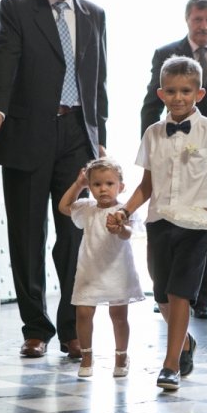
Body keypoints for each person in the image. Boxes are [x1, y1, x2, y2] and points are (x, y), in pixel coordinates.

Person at [0, 0, 108, 360]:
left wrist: (98, 136)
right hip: (28, 133)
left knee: (72, 237)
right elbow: (4, 60)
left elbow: (97, 80)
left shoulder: (95, 15)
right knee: (28, 236)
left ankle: (71, 328)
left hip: (75, 139)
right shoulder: (16, 9)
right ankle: (35, 329)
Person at [112, 55, 207, 390]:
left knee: (181, 293)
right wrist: (125, 210)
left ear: (199, 93)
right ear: (161, 93)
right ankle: (186, 342)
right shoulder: (152, 133)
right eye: (171, 91)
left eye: (185, 91)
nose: (178, 97)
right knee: (163, 294)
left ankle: (171, 365)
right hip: (159, 220)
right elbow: (146, 185)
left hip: (196, 225)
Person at [140, 0, 207, 319]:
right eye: (199, 19)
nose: (204, 26)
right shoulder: (166, 53)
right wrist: (153, 138)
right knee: (170, 224)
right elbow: (149, 102)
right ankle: (171, 295)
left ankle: (201, 298)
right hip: (172, 139)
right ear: (188, 19)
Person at [58, 158, 145, 379]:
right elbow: (63, 207)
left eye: (109, 183)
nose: (103, 189)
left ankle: (121, 356)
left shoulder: (124, 210)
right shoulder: (86, 207)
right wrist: (78, 185)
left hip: (117, 271)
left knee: (118, 315)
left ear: (120, 186)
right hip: (90, 270)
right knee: (84, 313)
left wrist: (120, 227)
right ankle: (87, 357)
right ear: (90, 186)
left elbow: (128, 234)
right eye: (96, 184)